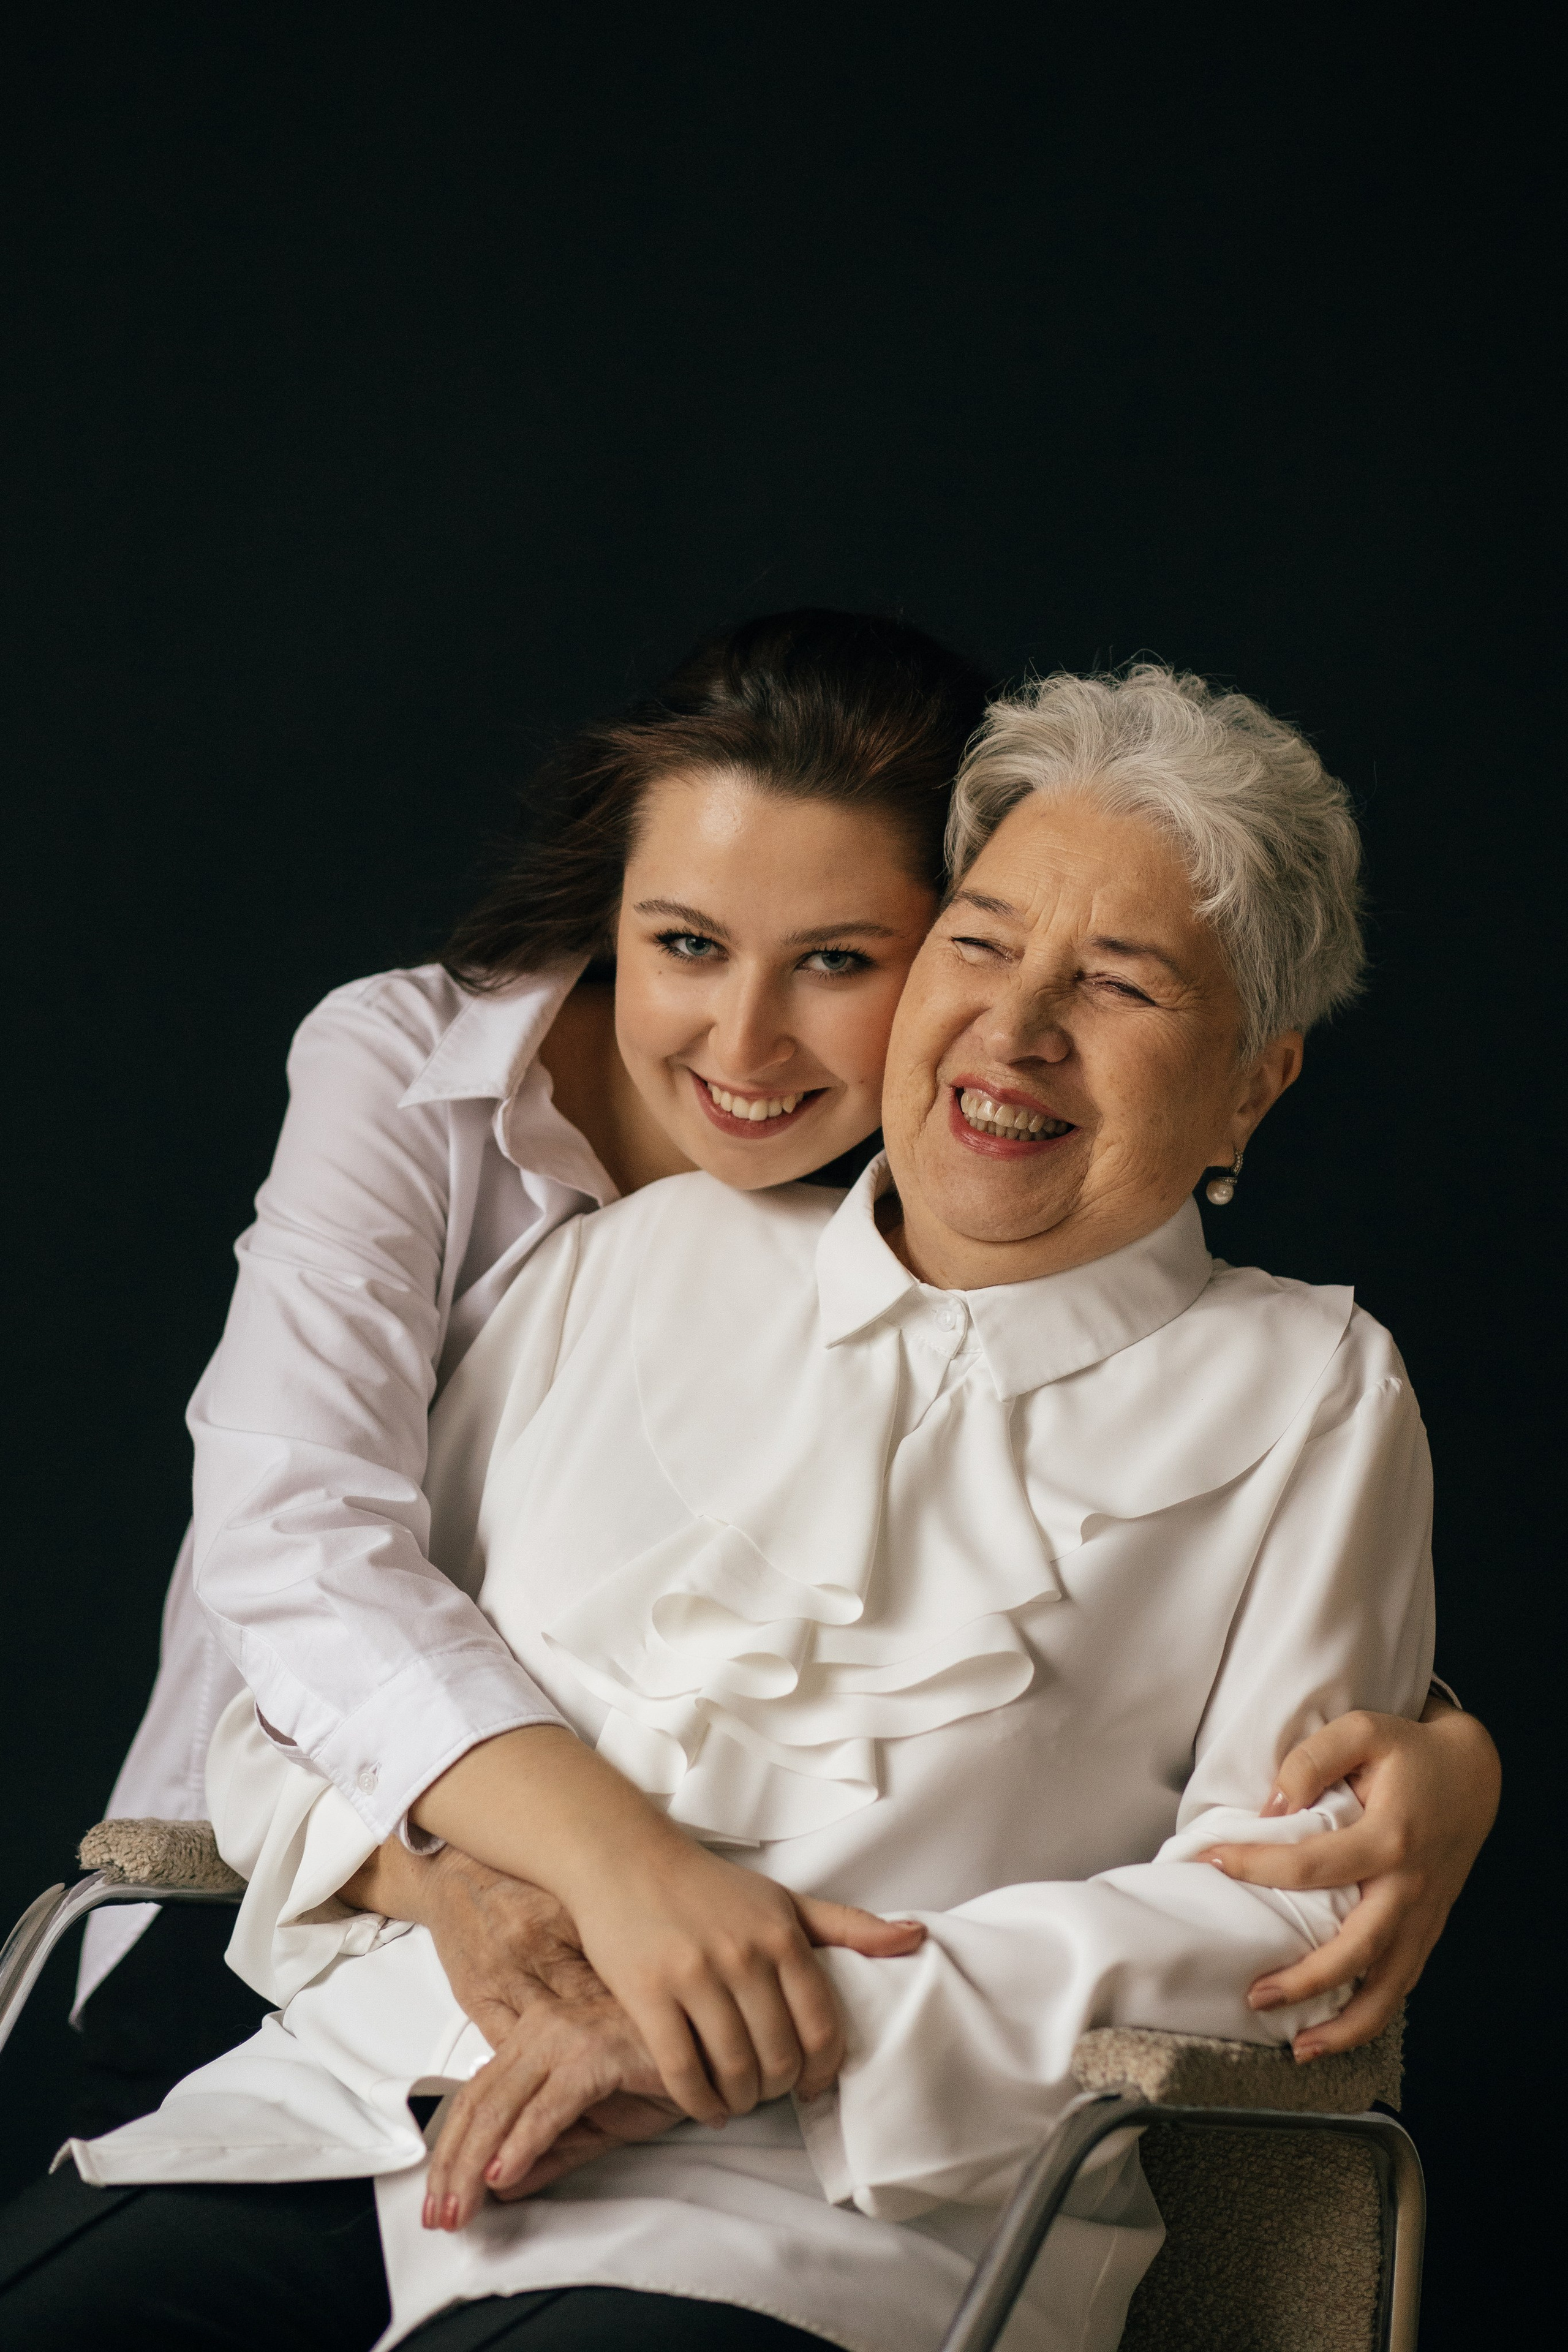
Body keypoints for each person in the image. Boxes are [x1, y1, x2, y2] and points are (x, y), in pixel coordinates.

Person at [7, 667, 1473, 2352]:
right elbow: (293, 1712)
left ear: (1252, 1085)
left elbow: (1285, 1900)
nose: (1014, 1030)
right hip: (357, 2103)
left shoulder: (1313, 1387)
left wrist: (777, 2015)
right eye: (981, 946)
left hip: (826, 2203)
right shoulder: (636, 1257)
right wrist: (449, 1874)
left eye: (1120, 984)